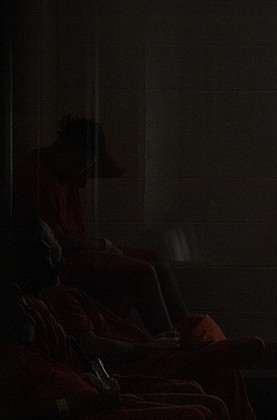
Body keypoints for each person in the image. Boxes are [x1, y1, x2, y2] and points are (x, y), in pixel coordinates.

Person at [10, 216, 263, 420]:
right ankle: (212, 352)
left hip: (133, 353)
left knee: (197, 324)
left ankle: (209, 348)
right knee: (215, 372)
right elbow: (88, 350)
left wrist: (154, 341)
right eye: (54, 237)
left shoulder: (55, 297)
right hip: (131, 363)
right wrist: (150, 347)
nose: (60, 242)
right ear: (43, 251)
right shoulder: (51, 304)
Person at [12, 116, 188, 335]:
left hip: (80, 251)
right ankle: (171, 345)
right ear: (61, 145)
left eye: (85, 166)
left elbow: (117, 169)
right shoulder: (35, 175)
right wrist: (103, 245)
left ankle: (188, 330)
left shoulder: (67, 164)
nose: (79, 172)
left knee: (156, 259)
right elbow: (54, 239)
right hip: (61, 260)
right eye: (77, 164)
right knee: (144, 272)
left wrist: (96, 142)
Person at [0, 282, 231, 420]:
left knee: (213, 400)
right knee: (199, 410)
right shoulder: (12, 360)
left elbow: (70, 369)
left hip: (101, 392)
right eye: (21, 311)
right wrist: (88, 400)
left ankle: (213, 347)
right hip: (94, 408)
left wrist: (90, 380)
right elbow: (18, 410)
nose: (29, 316)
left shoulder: (34, 351)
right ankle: (213, 350)